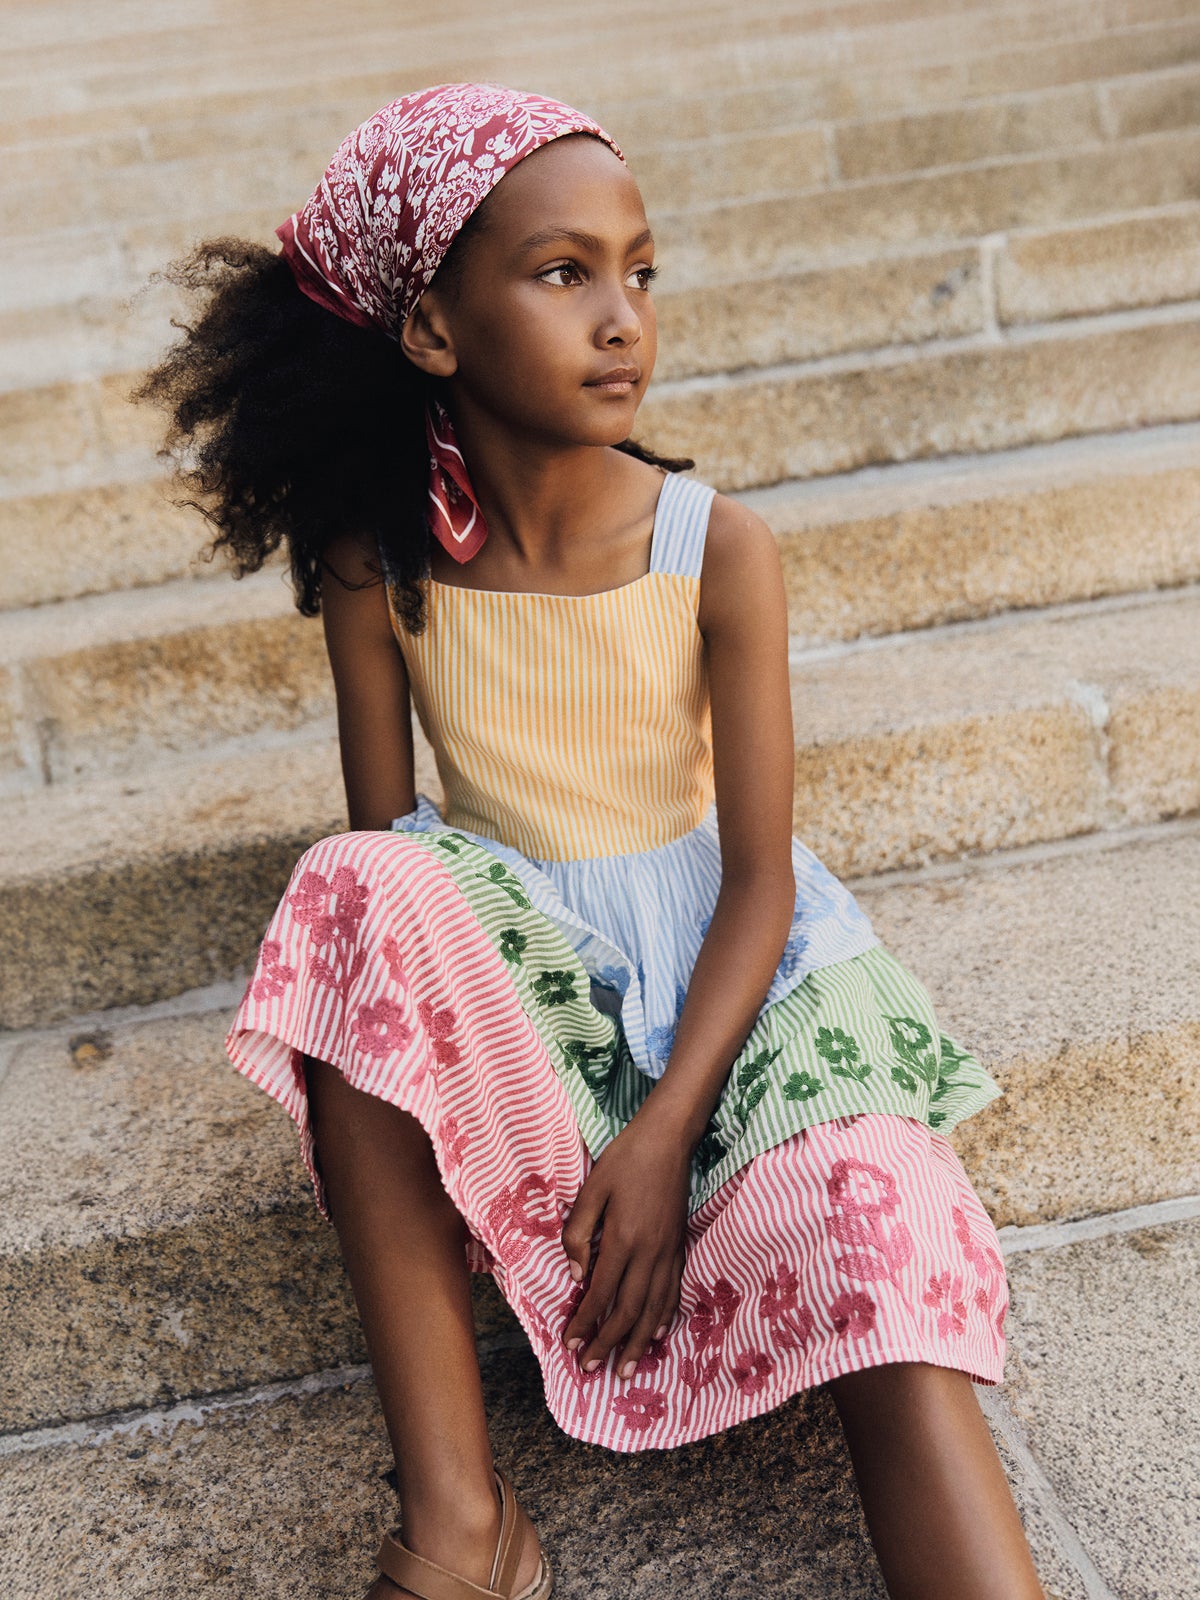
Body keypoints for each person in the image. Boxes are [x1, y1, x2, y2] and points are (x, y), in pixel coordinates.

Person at [139, 83, 1044, 1600]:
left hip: (739, 1007)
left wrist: (666, 1128)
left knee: (879, 1235)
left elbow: (759, 881)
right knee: (354, 885)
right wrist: (554, 1118)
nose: (622, 318)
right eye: (563, 275)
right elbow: (391, 887)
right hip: (534, 1005)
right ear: (431, 329)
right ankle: (462, 1523)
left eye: (640, 272)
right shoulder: (379, 561)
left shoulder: (715, 547)